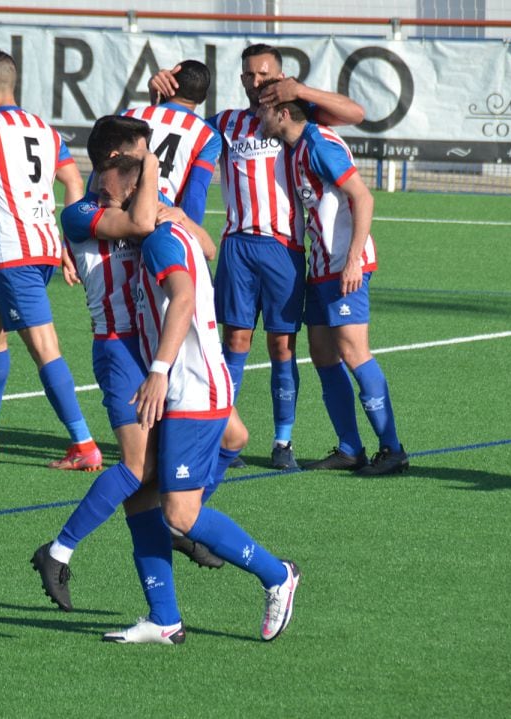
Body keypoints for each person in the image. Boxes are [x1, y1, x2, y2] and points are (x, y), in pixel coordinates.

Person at [31, 119, 232, 619]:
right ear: (114, 162)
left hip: (154, 346)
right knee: (137, 466)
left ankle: (180, 520)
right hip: (119, 350)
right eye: (140, 157)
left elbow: (207, 249)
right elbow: (143, 228)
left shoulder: (144, 197)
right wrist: (156, 185)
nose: (149, 165)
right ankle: (57, 553)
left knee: (233, 437)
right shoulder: (81, 212)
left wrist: (179, 214)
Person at [100, 154, 299, 643]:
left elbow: (184, 297)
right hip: (198, 383)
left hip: (191, 387)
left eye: (108, 196)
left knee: (179, 515)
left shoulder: (161, 241)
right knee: (143, 498)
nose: (105, 207)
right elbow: (206, 247)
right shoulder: (173, 230)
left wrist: (158, 371)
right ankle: (164, 619)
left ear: (132, 195)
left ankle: (278, 575)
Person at [151, 44, 365, 470]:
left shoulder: (297, 113)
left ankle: (282, 441)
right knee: (235, 341)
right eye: (250, 75)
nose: (257, 82)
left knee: (282, 346)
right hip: (237, 246)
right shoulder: (225, 123)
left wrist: (302, 89)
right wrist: (158, 93)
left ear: (280, 76)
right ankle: (219, 434)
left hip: (284, 246)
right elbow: (174, 132)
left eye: (265, 75)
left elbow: (356, 113)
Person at [0, 50, 102, 471]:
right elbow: (74, 179)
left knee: (45, 348)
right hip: (42, 247)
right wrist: (69, 240)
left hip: (14, 256)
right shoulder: (44, 128)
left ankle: (84, 444)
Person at [257, 82, 408, 475]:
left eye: (263, 110)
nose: (258, 117)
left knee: (354, 351)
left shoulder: (319, 143)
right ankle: (349, 448)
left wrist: (354, 260)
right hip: (321, 267)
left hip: (345, 266)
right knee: (323, 354)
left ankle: (392, 449)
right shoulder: (291, 149)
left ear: (283, 113)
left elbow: (363, 197)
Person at [122, 59, 221, 225]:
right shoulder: (207, 135)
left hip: (122, 210)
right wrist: (190, 234)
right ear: (203, 98)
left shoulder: (127, 115)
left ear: (170, 84)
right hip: (162, 216)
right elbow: (195, 194)